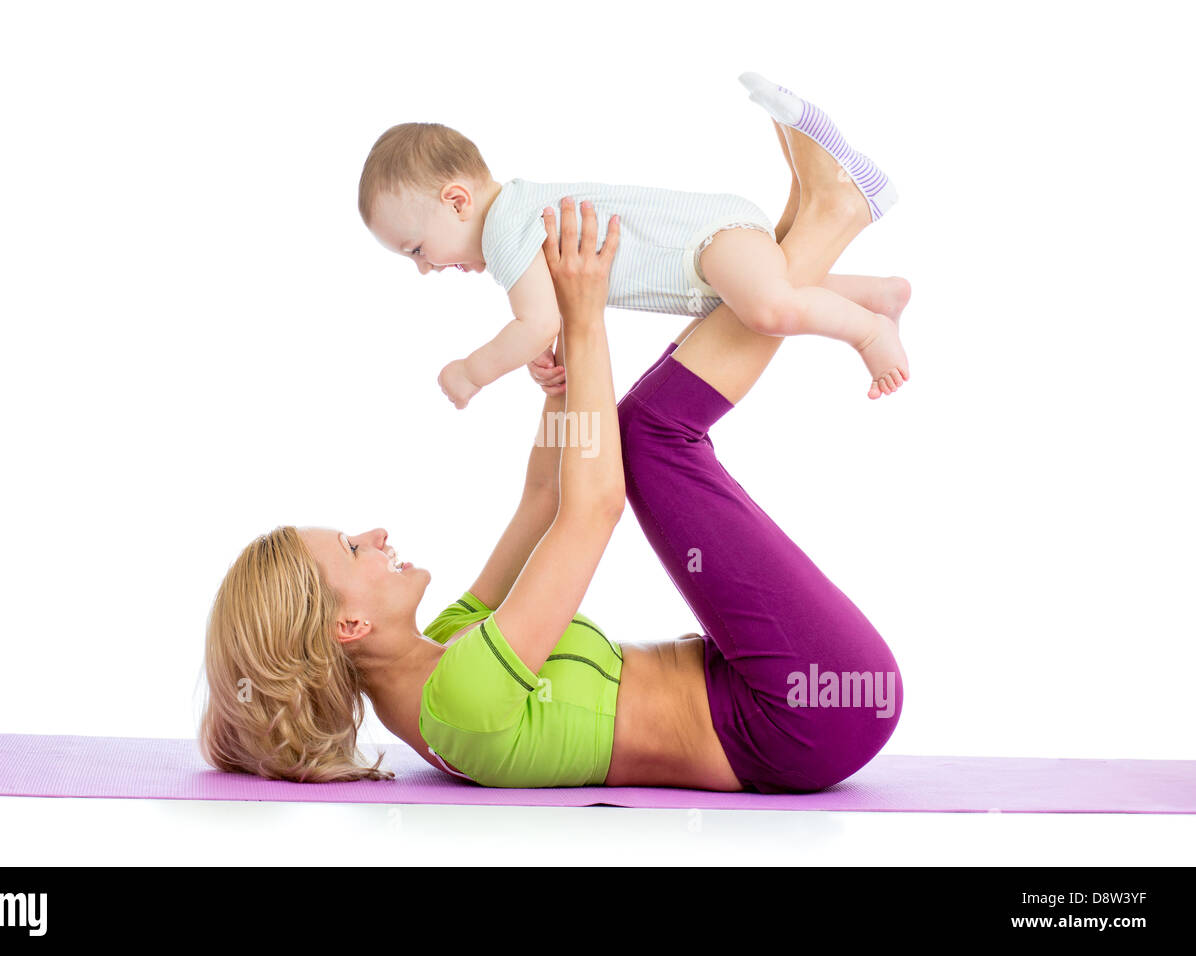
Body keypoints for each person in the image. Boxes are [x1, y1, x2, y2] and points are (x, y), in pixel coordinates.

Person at [199, 112, 905, 792]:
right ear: (348, 625)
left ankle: (825, 221)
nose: (375, 534)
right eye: (354, 550)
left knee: (645, 434)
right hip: (804, 717)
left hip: (765, 686)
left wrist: (560, 393)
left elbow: (545, 500)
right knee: (652, 440)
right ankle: (828, 220)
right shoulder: (459, 698)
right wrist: (582, 315)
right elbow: (592, 508)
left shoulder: (447, 643)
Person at [359, 74, 910, 406]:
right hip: (711, 254)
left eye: (416, 250)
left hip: (704, 245)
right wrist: (546, 353)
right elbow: (548, 317)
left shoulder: (503, 226)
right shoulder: (518, 214)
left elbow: (535, 322)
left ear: (456, 202)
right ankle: (875, 295)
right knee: (771, 293)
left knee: (769, 310)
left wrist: (470, 371)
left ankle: (866, 332)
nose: (425, 268)